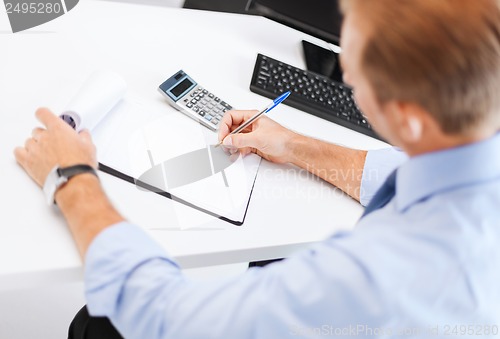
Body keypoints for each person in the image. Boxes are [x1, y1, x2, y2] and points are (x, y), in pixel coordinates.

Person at [14, 0, 500, 338]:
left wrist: (72, 178)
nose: (346, 74)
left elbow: (165, 317)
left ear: (409, 119)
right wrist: (291, 144)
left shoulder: (377, 278)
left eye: (357, 67)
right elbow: (395, 168)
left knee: (101, 324)